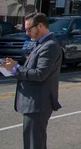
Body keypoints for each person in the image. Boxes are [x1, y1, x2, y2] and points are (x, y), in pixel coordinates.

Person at [3, 13, 62, 149]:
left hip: (38, 104)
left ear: (40, 26)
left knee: (34, 144)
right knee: (32, 142)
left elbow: (40, 74)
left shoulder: (50, 45)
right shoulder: (42, 44)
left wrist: (16, 69)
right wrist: (14, 66)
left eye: (29, 29)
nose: (27, 33)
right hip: (34, 103)